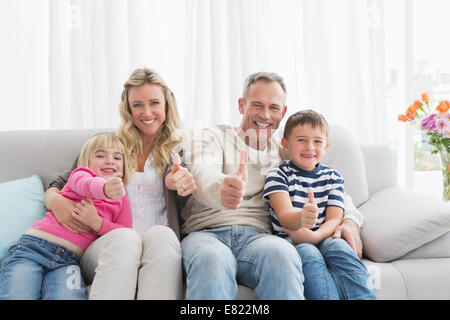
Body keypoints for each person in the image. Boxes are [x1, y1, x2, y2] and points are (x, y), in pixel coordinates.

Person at [181, 71, 366, 300]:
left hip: (257, 238)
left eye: (274, 108)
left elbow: (327, 186)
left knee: (283, 254)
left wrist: (350, 220)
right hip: (206, 234)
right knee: (212, 261)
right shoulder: (213, 136)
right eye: (257, 105)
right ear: (241, 105)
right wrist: (222, 186)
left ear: (283, 113)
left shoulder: (285, 151)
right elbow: (200, 170)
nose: (265, 115)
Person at [43, 68, 195, 299]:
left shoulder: (178, 151)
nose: (146, 112)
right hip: (107, 244)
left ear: (167, 104)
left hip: (159, 247)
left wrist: (182, 186)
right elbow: (62, 182)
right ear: (127, 108)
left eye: (154, 102)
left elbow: (192, 196)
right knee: (126, 238)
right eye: (137, 105)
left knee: (162, 235)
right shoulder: (109, 147)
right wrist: (55, 200)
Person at [0, 133, 133, 299]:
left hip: (69, 261)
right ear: (86, 162)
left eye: (117, 157)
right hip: (32, 248)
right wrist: (105, 189)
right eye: (100, 155)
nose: (110, 161)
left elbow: (125, 231)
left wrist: (98, 223)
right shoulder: (80, 175)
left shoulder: (122, 197)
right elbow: (87, 185)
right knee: (18, 294)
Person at [263, 110, 376, 300]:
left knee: (341, 250)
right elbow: (284, 216)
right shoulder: (278, 175)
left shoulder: (333, 177)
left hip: (323, 235)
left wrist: (315, 236)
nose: (309, 147)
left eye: (317, 141)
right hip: (293, 240)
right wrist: (302, 219)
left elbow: (334, 219)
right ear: (285, 144)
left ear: (326, 146)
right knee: (310, 257)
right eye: (301, 140)